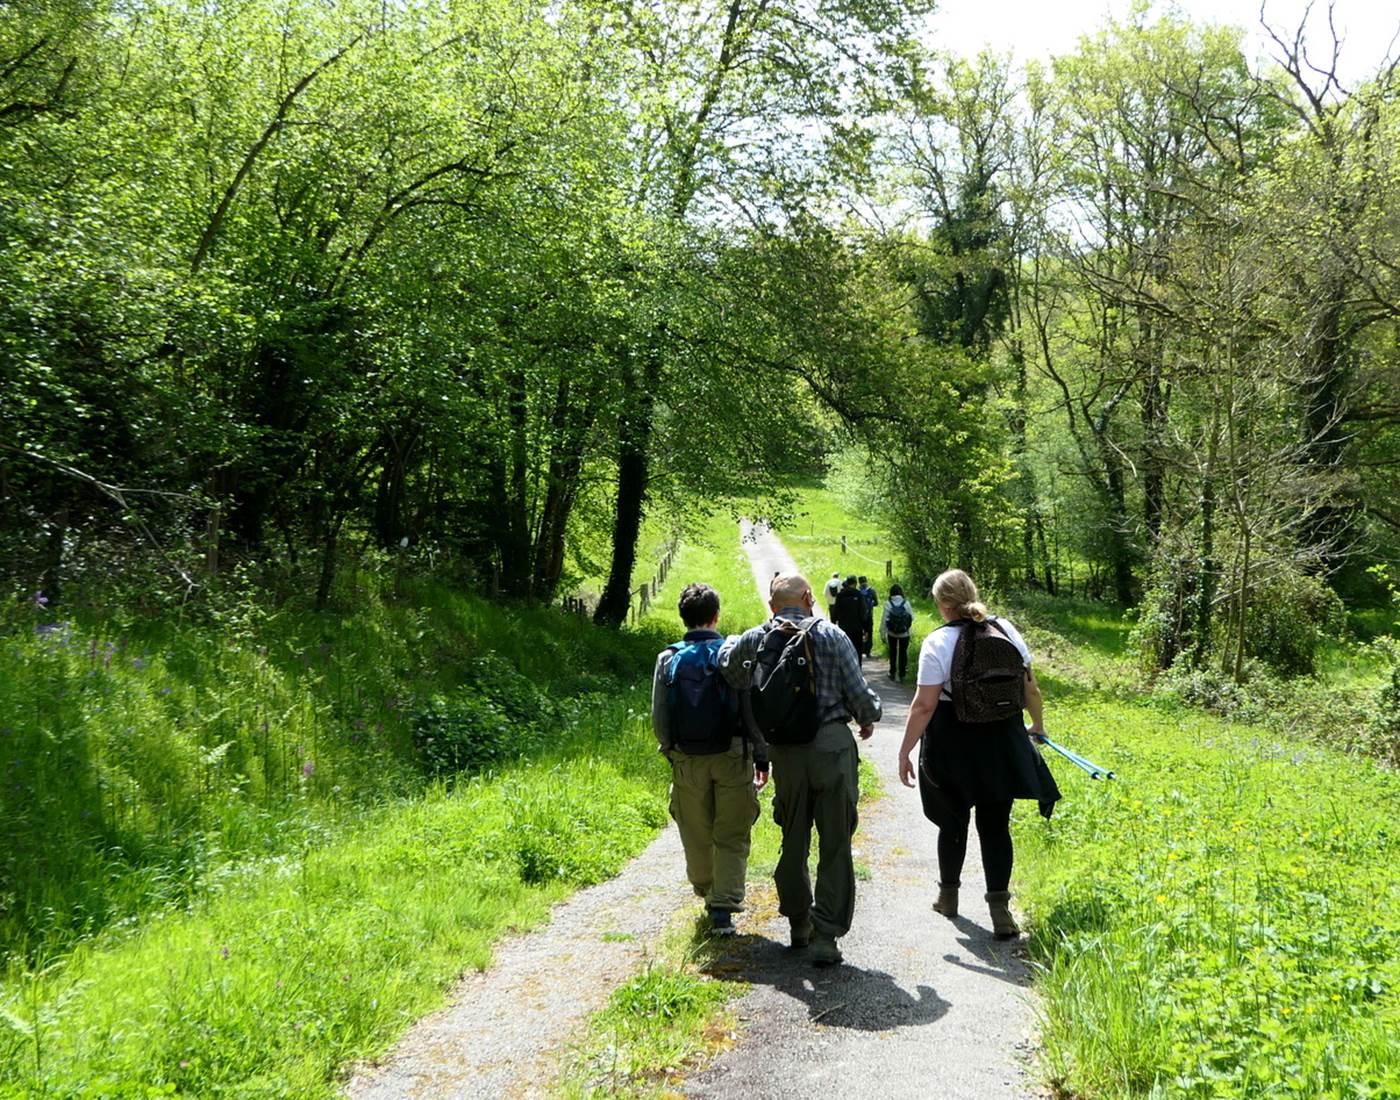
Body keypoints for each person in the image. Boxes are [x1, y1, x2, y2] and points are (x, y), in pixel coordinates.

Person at [719, 574, 882, 966]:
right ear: (810, 598)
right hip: (830, 748)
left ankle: (798, 924)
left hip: (785, 753)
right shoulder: (832, 636)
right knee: (836, 841)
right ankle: (827, 936)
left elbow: (729, 670)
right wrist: (869, 713)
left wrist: (729, 642)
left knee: (793, 837)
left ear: (772, 604)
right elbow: (862, 697)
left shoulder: (757, 638)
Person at [895, 569, 1059, 939]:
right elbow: (1030, 687)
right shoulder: (1006, 631)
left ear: (943, 604)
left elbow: (924, 705)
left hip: (951, 742)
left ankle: (948, 898)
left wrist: (905, 751)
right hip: (1001, 739)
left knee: (952, 823)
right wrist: (1038, 725)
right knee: (996, 826)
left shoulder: (937, 643)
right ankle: (1000, 912)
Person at [652, 583, 769, 937]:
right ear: (716, 616)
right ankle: (722, 908)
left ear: (683, 617)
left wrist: (670, 748)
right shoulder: (731, 653)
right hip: (734, 754)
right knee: (732, 832)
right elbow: (752, 709)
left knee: (695, 829)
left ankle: (706, 888)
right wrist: (761, 754)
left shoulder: (668, 658)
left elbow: (659, 717)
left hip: (687, 757)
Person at [879, 583, 915, 681]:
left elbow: (884, 620)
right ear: (901, 592)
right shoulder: (906, 603)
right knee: (903, 652)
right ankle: (902, 674)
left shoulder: (888, 603)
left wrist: (882, 633)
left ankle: (892, 672)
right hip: (904, 633)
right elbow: (912, 617)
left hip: (892, 633)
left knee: (893, 652)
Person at [832, 575, 867, 662]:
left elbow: (835, 612)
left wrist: (833, 624)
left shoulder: (840, 595)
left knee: (844, 651)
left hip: (843, 628)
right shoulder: (859, 595)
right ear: (855, 583)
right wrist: (866, 628)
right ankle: (858, 671)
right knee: (858, 650)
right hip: (857, 629)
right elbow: (863, 613)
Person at [857, 576, 878, 657]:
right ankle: (868, 650)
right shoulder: (871, 591)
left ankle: (861, 649)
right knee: (869, 632)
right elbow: (876, 603)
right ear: (866, 581)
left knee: (860, 633)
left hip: (859, 617)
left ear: (859, 582)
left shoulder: (857, 591)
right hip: (869, 616)